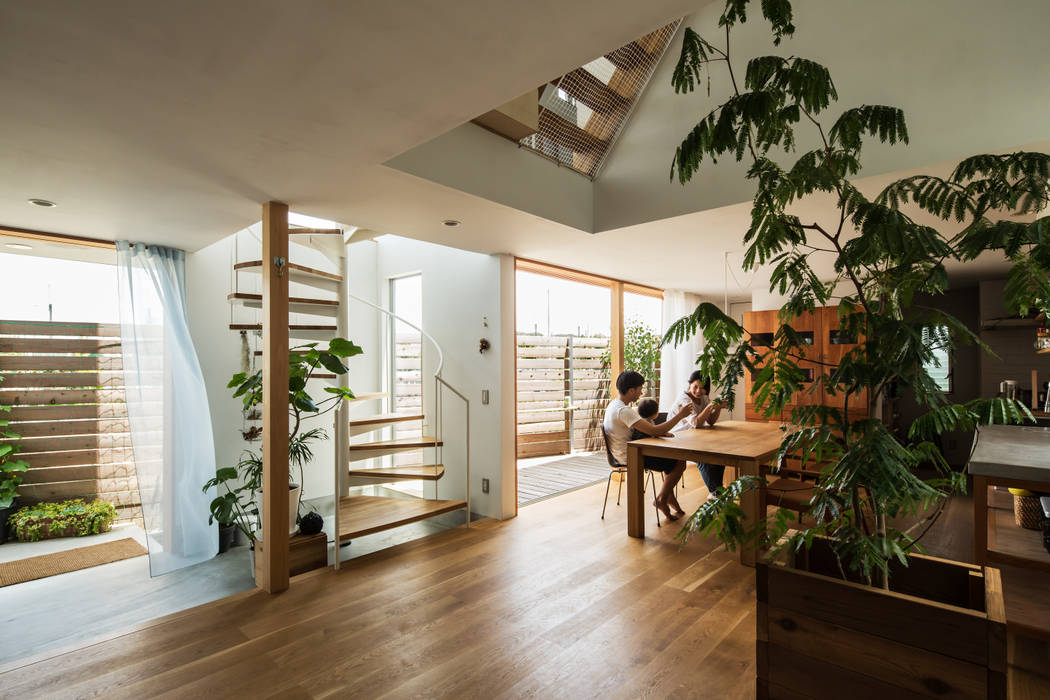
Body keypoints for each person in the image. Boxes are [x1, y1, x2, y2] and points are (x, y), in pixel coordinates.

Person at [604, 371, 692, 520]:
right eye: (640, 389)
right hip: (633, 456)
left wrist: (659, 432)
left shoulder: (615, 405)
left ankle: (666, 496)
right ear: (631, 390)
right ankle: (662, 499)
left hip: (624, 452)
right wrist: (680, 415)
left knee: (669, 460)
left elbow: (647, 429)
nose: (641, 393)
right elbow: (654, 429)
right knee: (679, 462)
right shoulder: (624, 411)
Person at [669, 370, 725, 500]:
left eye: (702, 388)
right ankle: (715, 492)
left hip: (694, 437)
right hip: (677, 438)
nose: (699, 391)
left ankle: (718, 490)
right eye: (695, 387)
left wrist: (717, 408)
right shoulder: (684, 399)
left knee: (720, 453)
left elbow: (710, 421)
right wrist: (711, 405)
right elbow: (696, 422)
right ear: (689, 385)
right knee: (702, 457)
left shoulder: (703, 398)